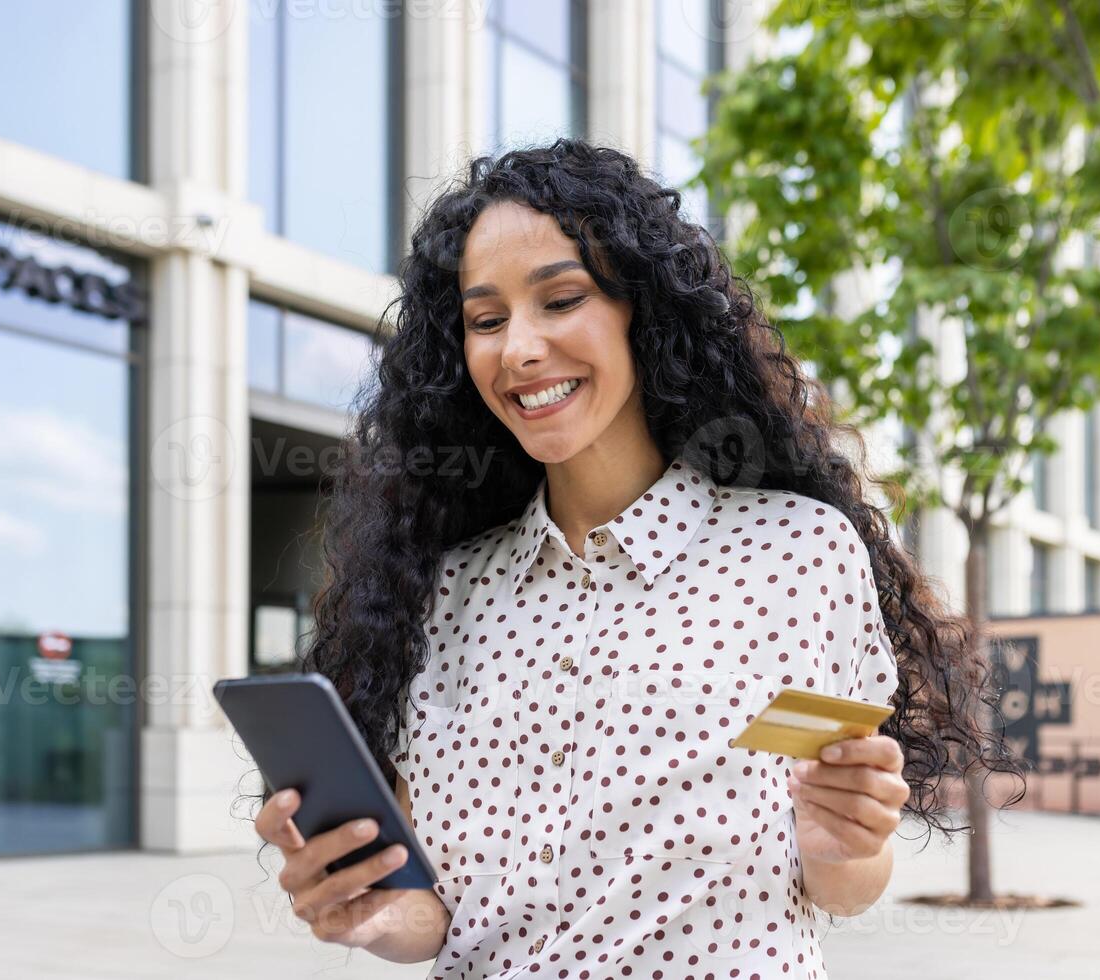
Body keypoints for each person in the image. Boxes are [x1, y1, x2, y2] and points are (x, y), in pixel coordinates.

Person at [251, 138, 1019, 978]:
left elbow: (842, 882)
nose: (519, 349)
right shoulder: (448, 594)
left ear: (640, 310)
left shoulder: (794, 554)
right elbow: (432, 918)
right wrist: (367, 908)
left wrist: (842, 844)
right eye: (486, 319)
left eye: (562, 298)